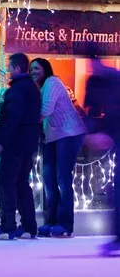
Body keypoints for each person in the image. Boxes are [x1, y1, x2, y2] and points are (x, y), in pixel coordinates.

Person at [0, 53, 41, 240]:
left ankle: (8, 226)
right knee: (21, 183)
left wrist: (1, 142)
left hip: (15, 143)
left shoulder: (17, 90)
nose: (8, 71)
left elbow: (11, 117)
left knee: (5, 182)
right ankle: (28, 226)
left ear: (17, 68)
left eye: (10, 67)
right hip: (28, 143)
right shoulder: (32, 88)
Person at [30, 58, 86, 238]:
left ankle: (65, 223)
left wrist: (25, 122)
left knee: (62, 178)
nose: (33, 71)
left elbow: (46, 109)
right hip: (53, 137)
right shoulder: (40, 88)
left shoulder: (52, 82)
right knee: (48, 179)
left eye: (37, 68)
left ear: (46, 69)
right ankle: (51, 222)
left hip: (69, 134)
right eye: (31, 69)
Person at [83, 55, 120, 256]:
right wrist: (94, 132)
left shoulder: (112, 80)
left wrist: (98, 132)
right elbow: (93, 110)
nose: (91, 68)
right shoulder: (97, 81)